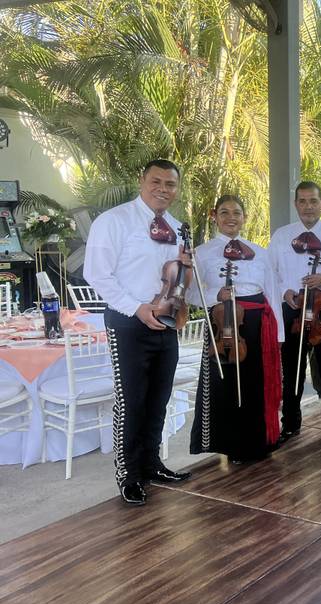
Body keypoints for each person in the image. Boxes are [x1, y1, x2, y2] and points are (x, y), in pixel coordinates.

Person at [83, 159, 192, 506]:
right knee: (131, 401)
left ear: (177, 189)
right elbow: (97, 275)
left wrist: (183, 297)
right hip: (129, 321)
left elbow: (176, 277)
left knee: (159, 399)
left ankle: (151, 463)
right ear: (141, 180)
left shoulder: (177, 227)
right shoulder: (114, 221)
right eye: (156, 181)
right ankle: (128, 474)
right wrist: (137, 309)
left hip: (166, 320)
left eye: (170, 184)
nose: (163, 189)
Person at [187, 195, 284, 462]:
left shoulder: (259, 252)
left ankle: (256, 443)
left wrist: (279, 335)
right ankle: (228, 445)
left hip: (255, 325)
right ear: (215, 216)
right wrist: (216, 296)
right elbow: (191, 294)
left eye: (237, 212)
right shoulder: (203, 253)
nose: (231, 217)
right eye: (225, 212)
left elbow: (272, 293)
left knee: (255, 383)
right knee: (223, 383)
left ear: (245, 217)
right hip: (221, 323)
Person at [268, 181, 321, 447]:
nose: (308, 207)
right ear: (296, 204)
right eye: (303, 201)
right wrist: (285, 293)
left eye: (313, 201)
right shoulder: (281, 236)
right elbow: (271, 273)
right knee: (292, 369)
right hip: (292, 309)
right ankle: (291, 425)